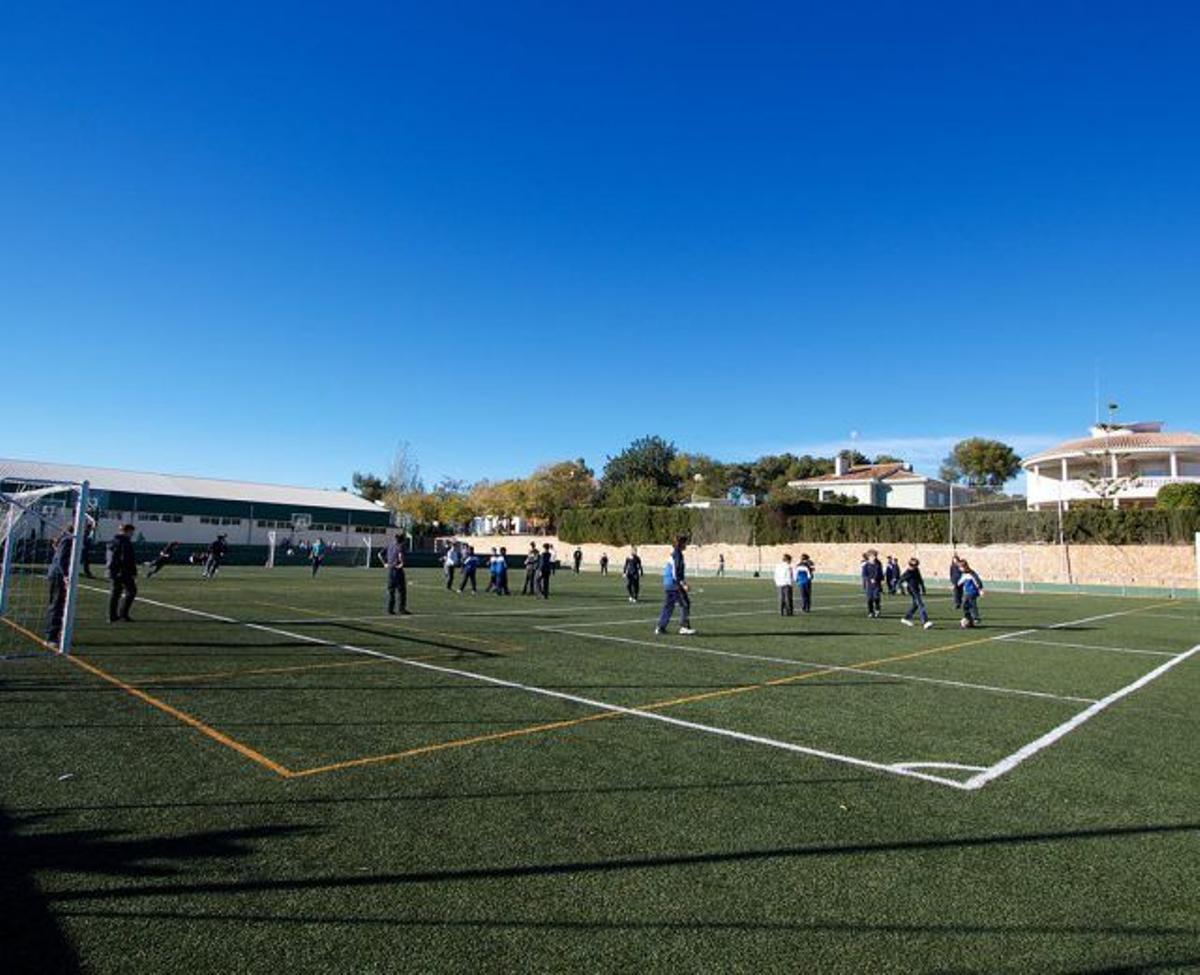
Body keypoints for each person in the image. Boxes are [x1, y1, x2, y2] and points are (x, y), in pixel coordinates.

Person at [655, 535, 695, 635]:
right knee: (685, 603)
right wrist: (682, 584)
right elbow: (676, 572)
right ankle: (684, 627)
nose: (686, 545)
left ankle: (660, 627)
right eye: (685, 543)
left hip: (668, 583)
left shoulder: (675, 554)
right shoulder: (678, 555)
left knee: (668, 606)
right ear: (681, 544)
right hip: (673, 584)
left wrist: (682, 582)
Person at [44, 527, 74, 646]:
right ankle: (51, 637)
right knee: (57, 605)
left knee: (59, 605)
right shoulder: (68, 540)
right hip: (58, 576)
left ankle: (56, 633)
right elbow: (62, 559)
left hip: (58, 574)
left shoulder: (67, 539)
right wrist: (65, 575)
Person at [106, 523, 138, 623]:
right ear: (128, 531)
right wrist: (133, 571)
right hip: (123, 571)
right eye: (132, 532)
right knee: (131, 591)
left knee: (115, 593)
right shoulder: (125, 542)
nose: (132, 534)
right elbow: (126, 558)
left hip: (112, 570)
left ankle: (112, 616)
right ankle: (123, 614)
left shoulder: (113, 541)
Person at [898, 557, 933, 629]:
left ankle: (906, 618)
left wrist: (923, 587)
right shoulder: (907, 573)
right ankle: (925, 622)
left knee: (915, 605)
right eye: (912, 565)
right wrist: (901, 589)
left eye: (916, 565)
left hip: (917, 589)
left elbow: (920, 579)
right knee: (920, 604)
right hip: (912, 590)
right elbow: (900, 581)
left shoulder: (916, 570)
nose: (914, 566)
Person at [380, 533, 409, 614]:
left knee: (390, 590)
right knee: (401, 590)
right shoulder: (400, 546)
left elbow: (380, 554)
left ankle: (390, 609)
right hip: (397, 570)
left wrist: (384, 563)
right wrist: (402, 563)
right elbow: (400, 555)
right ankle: (401, 609)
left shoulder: (390, 545)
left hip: (390, 570)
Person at [957, 560, 985, 627]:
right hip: (966, 592)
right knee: (964, 605)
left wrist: (980, 589)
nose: (959, 569)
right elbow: (960, 582)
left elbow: (977, 581)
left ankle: (976, 617)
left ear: (965, 567)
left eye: (960, 567)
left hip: (972, 592)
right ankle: (968, 618)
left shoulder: (971, 573)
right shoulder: (964, 574)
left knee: (972, 604)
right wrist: (957, 584)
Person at [861, 550, 884, 618]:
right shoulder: (866, 565)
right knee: (869, 599)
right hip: (869, 585)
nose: (874, 557)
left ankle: (877, 609)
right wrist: (870, 579)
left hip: (877, 584)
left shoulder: (878, 564)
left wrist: (880, 579)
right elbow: (864, 574)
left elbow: (880, 573)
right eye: (873, 556)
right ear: (869, 557)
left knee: (876, 598)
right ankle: (870, 612)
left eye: (875, 556)